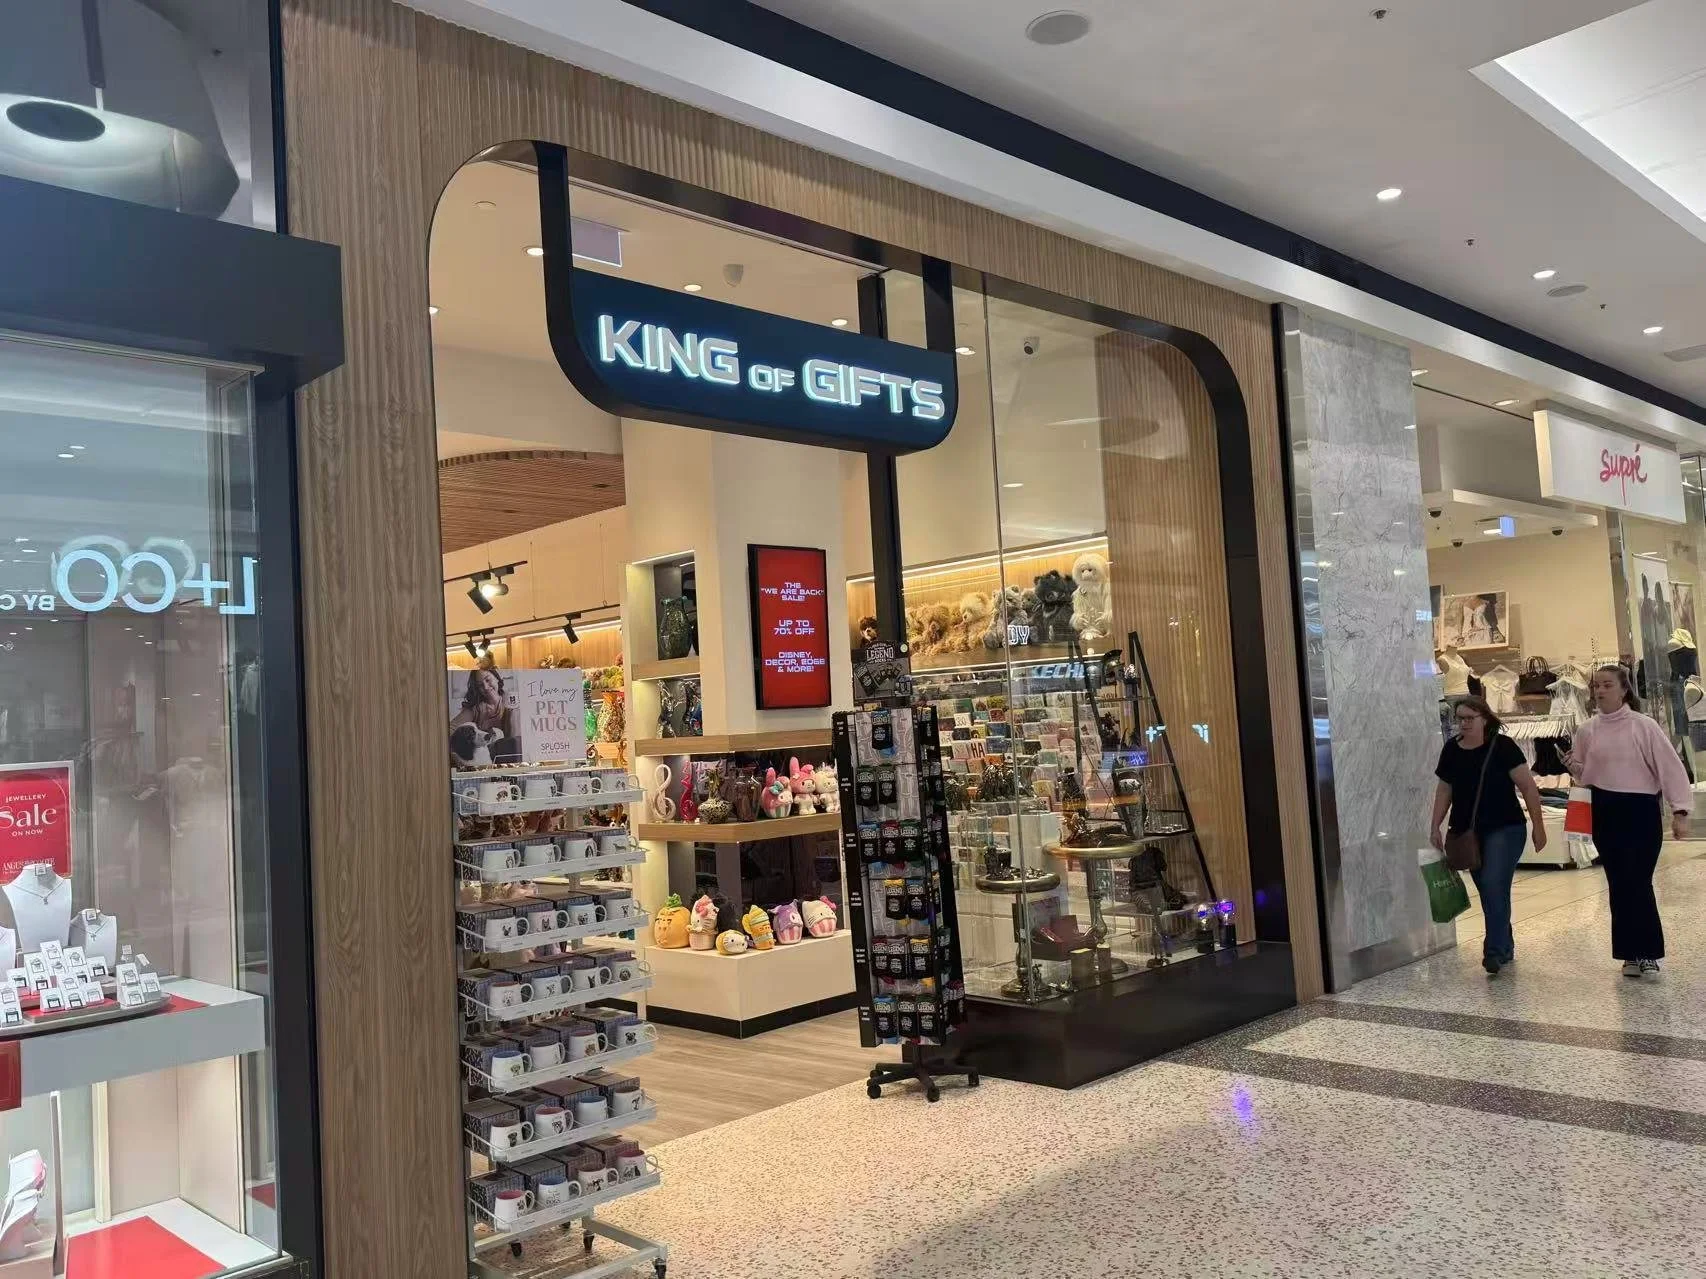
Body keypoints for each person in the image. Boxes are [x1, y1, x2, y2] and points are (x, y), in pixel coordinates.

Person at [1566, 665, 1691, 979]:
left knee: (1638, 882)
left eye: (1607, 685)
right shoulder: (1587, 730)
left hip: (1640, 811)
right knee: (1618, 884)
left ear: (1624, 690)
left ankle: (1647, 952)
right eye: (1596, 686)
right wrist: (1572, 766)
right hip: (1605, 810)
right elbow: (1584, 774)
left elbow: (1670, 768)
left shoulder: (1643, 726)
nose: (1600, 691)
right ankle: (1628, 954)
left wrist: (1680, 811)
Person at [1430, 696, 1547, 976]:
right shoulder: (1451, 750)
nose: (1464, 724)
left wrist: (1539, 827)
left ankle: (1493, 951)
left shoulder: (1502, 746)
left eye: (1470, 718)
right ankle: (1504, 944)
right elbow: (1444, 790)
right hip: (1468, 832)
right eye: (1460, 718)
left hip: (1505, 828)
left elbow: (1528, 788)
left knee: (1494, 883)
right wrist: (1434, 825)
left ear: (1485, 718)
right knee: (1489, 890)